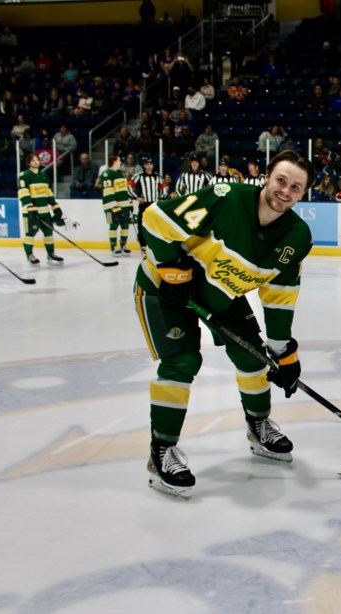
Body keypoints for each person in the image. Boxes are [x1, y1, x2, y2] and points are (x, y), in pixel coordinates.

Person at [134, 151, 315, 498]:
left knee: (254, 358)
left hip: (219, 296)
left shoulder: (296, 236)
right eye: (281, 180)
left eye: (295, 187)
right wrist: (172, 269)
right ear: (266, 177)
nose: (285, 191)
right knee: (182, 361)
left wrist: (282, 352)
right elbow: (155, 218)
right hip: (164, 290)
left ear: (302, 194)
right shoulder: (225, 198)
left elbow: (279, 295)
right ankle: (161, 452)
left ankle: (258, 425)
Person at [18, 153, 66, 265]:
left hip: (45, 212)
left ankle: (51, 253)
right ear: (28, 163)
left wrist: (55, 207)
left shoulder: (44, 175)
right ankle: (29, 254)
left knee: (48, 233)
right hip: (30, 213)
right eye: (33, 160)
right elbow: (23, 192)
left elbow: (48, 192)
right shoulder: (24, 175)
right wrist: (30, 207)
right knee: (30, 233)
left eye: (37, 160)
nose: (36, 162)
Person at [129, 155, 168, 253]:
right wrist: (136, 197)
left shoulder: (158, 177)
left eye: (150, 164)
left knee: (156, 225)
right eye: (147, 164)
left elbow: (164, 187)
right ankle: (143, 244)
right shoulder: (138, 176)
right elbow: (129, 186)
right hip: (144, 204)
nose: (149, 166)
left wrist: (162, 197)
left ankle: (155, 243)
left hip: (155, 205)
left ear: (153, 165)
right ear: (144, 166)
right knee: (142, 225)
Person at [99, 154, 134, 256]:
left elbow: (125, 190)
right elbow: (108, 192)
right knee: (113, 225)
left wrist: (129, 203)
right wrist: (114, 206)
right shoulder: (106, 174)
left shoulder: (121, 173)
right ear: (113, 161)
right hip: (112, 206)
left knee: (125, 225)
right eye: (118, 160)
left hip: (124, 205)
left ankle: (123, 245)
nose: (120, 162)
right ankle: (113, 246)